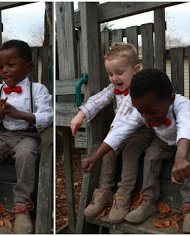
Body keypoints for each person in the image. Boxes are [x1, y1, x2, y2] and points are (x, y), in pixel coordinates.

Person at [82, 68, 190, 233]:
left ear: (170, 99)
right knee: (150, 157)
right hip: (162, 142)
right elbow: (120, 130)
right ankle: (149, 200)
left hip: (187, 143)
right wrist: (95, 156)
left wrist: (181, 157)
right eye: (141, 112)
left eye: (151, 112)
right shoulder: (144, 110)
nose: (146, 117)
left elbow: (186, 127)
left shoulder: (182, 105)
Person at [0, 40, 52, 234]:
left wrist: (20, 114)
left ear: (28, 67)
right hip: (3, 135)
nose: (5, 70)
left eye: (11, 65)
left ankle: (22, 207)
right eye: (1, 66)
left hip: (26, 136)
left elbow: (47, 116)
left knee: (26, 155)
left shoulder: (37, 90)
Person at [70, 42, 151, 222]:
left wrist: (112, 135)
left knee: (129, 152)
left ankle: (123, 196)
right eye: (110, 74)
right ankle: (104, 191)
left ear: (135, 70)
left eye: (120, 73)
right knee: (109, 153)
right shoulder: (114, 88)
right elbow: (98, 99)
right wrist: (80, 114)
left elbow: (123, 116)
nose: (114, 78)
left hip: (142, 132)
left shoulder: (139, 90)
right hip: (119, 131)